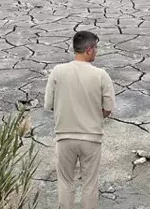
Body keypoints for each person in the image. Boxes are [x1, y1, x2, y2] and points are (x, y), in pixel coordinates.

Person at [45, 31, 115, 209]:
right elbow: (108, 109)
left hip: (64, 137)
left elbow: (49, 104)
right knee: (90, 184)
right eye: (96, 48)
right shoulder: (101, 75)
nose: (97, 52)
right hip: (91, 138)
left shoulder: (57, 72)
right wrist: (94, 113)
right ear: (89, 50)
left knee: (65, 183)